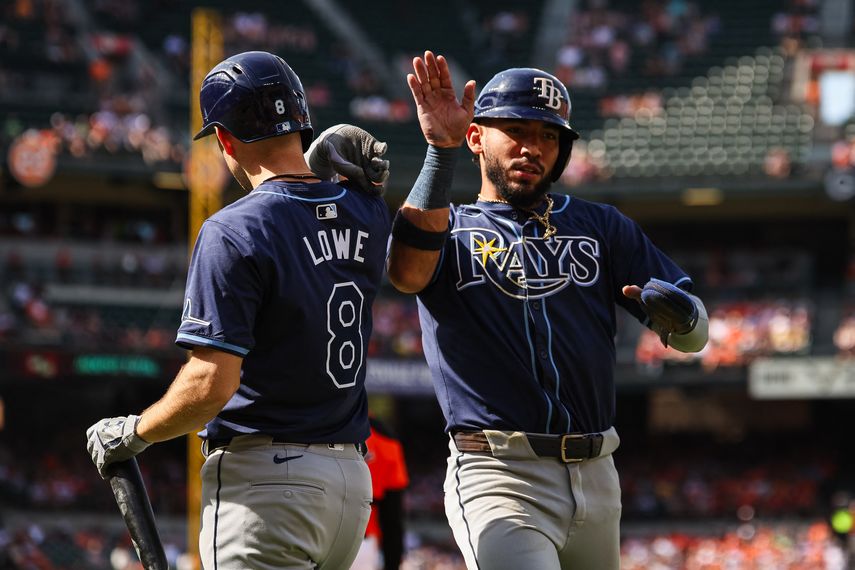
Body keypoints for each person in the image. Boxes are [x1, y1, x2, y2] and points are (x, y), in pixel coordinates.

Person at [386, 51, 709, 569]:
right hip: (499, 472)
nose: (532, 147)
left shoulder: (602, 225)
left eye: (548, 136)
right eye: (515, 129)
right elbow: (406, 274)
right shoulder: (450, 228)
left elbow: (695, 336)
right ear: (475, 138)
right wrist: (438, 154)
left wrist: (685, 317)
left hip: (599, 472)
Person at [86, 51, 392, 570]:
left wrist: (136, 431)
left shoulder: (234, 228)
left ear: (225, 139)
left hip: (268, 486)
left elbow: (211, 385)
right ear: (302, 121)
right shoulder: (366, 210)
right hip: (350, 488)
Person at [351, 416, 410, 570]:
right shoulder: (382, 435)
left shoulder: (313, 423)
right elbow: (392, 518)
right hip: (362, 541)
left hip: (315, 534)